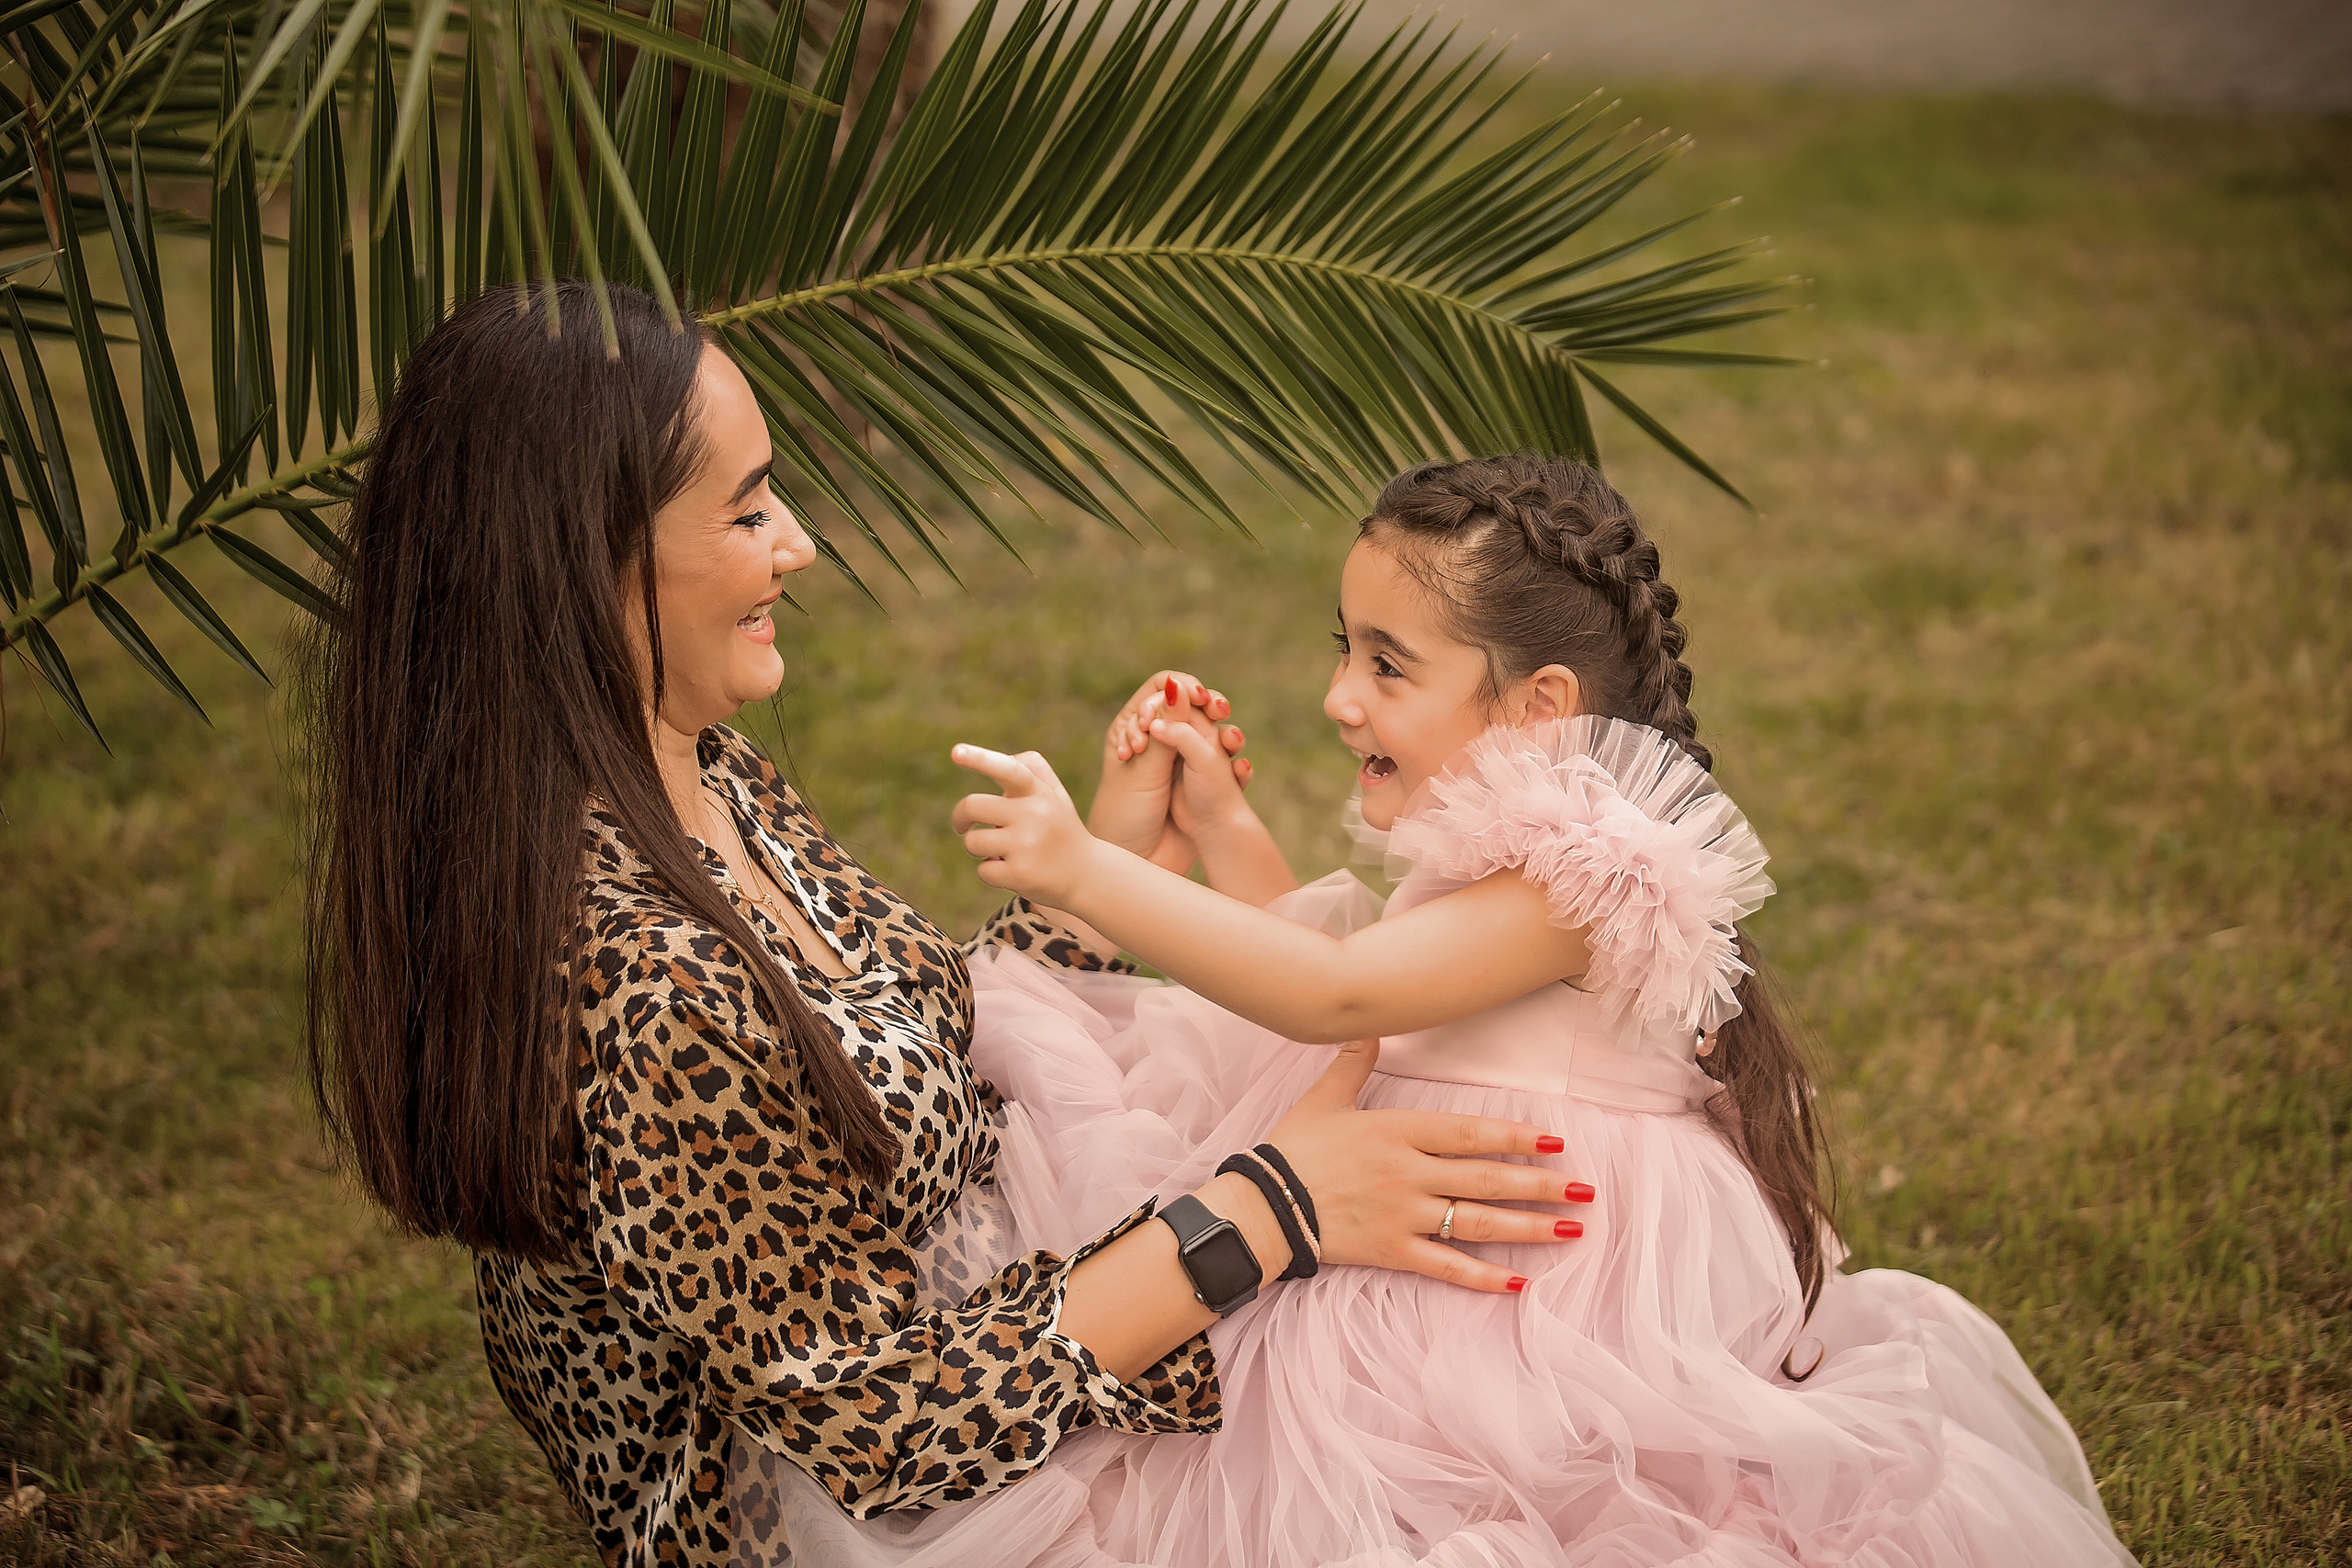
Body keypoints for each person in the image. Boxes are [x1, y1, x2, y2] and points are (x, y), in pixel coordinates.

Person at [296, 285, 1591, 1568]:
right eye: (747, 512)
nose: (796, 543)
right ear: (586, 560)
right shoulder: (643, 986)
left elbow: (874, 1060)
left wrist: (1104, 871)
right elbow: (875, 1426)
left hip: (993, 1340)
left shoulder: (690, 771)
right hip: (867, 1514)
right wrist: (1269, 1212)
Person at [943, 455, 2140, 1564]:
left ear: (1534, 705)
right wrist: (1222, 829)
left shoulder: (1587, 870)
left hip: (1518, 1297)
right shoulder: (1506, 843)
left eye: (1386, 664)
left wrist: (1089, 874)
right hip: (1418, 1211)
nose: (1338, 697)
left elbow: (1338, 995)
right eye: (1344, 650)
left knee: (1407, 1493)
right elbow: (1377, 1002)